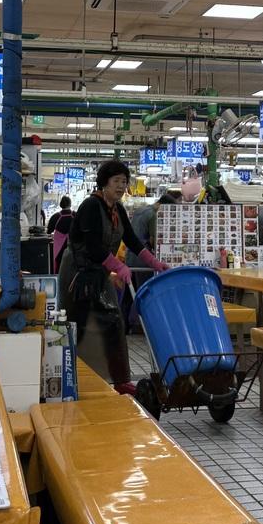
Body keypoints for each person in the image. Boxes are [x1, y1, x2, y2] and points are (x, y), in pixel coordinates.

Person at [58, 160, 169, 394]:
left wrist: (154, 263)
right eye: (116, 181)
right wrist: (118, 266)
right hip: (77, 274)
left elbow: (132, 240)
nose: (121, 186)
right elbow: (93, 246)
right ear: (104, 183)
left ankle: (121, 380)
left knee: (114, 320)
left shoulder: (118, 209)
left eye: (124, 181)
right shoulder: (91, 206)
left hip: (99, 273)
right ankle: (63, 379)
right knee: (74, 325)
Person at [125, 189, 177, 271]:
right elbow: (152, 240)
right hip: (143, 258)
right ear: (162, 205)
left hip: (130, 256)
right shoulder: (153, 214)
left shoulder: (140, 209)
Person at [47, 196, 74, 269]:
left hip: (59, 248)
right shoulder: (75, 215)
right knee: (71, 265)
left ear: (61, 204)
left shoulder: (55, 217)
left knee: (59, 264)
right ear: (70, 204)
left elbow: (49, 231)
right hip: (72, 246)